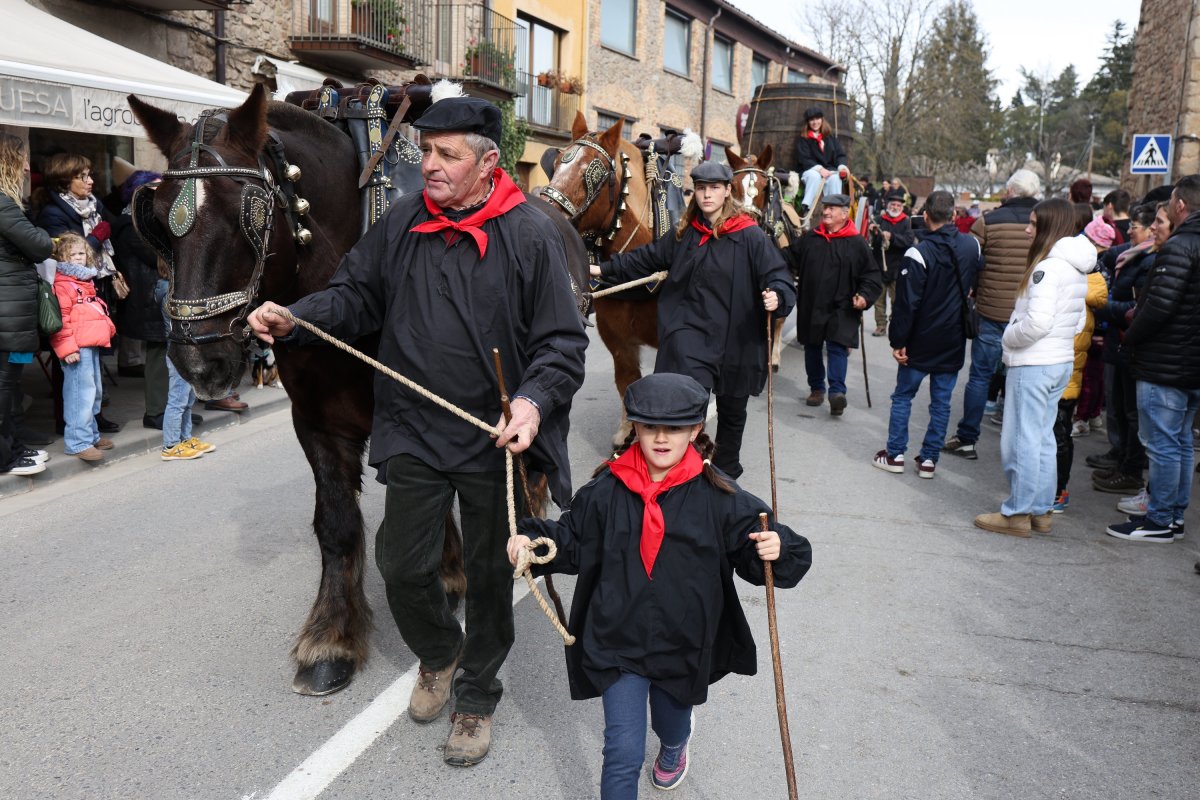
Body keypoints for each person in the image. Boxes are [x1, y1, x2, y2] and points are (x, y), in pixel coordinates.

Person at [247, 94, 588, 766]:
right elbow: (357, 295)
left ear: (488, 163)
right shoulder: (404, 222)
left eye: (446, 154)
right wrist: (299, 315)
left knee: (491, 577)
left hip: (493, 438)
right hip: (413, 430)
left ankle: (477, 696)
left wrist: (532, 403)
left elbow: (561, 345)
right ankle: (439, 652)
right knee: (403, 566)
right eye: (426, 150)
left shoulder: (529, 236)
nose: (428, 164)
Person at [507, 373, 812, 799]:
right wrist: (533, 542)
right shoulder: (605, 489)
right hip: (617, 639)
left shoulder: (720, 496)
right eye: (650, 426)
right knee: (622, 752)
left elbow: (757, 550)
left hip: (682, 643)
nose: (662, 438)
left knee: (669, 721)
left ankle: (674, 743)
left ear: (695, 430)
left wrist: (777, 548)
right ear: (635, 426)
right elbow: (571, 541)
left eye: (675, 428)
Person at [590, 161, 795, 478]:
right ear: (695, 192)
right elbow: (648, 257)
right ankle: (680, 473)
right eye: (701, 188)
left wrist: (777, 297)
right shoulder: (685, 234)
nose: (707, 194)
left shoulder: (750, 236)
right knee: (681, 406)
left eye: (714, 188)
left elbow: (778, 276)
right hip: (690, 337)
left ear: (727, 191)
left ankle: (725, 474)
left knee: (732, 412)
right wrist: (603, 269)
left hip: (736, 339)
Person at [975, 198, 1092, 537]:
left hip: (1034, 361)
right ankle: (1040, 509)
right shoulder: (1074, 267)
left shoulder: (1046, 269)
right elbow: (1077, 320)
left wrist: (1009, 338)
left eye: (1033, 224)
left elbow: (1037, 322)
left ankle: (1018, 512)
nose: (1027, 230)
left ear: (1048, 228)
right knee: (1041, 438)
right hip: (1057, 361)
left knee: (1021, 440)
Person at [1106, 175, 1200, 543]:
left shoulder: (1179, 247)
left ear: (1180, 206)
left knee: (1163, 445)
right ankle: (1172, 517)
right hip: (1189, 365)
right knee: (1178, 445)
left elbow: (1157, 306)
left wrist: (1132, 339)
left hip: (1166, 363)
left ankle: (1160, 519)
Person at [872, 191, 981, 479]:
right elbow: (974, 286)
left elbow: (907, 305)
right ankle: (930, 460)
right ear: (954, 216)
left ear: (927, 216)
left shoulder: (918, 253)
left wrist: (898, 342)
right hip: (953, 338)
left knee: (903, 396)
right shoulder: (972, 247)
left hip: (920, 339)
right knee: (941, 402)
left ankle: (895, 454)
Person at [943, 168, 1042, 459]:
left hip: (991, 310)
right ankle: (1018, 447)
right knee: (1020, 380)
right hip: (1029, 314)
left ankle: (967, 438)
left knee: (980, 376)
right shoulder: (1044, 223)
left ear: (1009, 191)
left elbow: (971, 260)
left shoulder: (988, 221)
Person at [35, 153, 121, 434]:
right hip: (69, 290)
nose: (90, 180)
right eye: (82, 176)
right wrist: (97, 237)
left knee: (93, 362)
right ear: (65, 179)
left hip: (94, 287)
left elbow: (117, 224)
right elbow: (68, 253)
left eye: (90, 174)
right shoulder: (53, 212)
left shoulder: (93, 205)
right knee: (71, 362)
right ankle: (70, 422)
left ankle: (93, 419)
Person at [1089, 204, 1159, 507]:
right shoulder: (1129, 255)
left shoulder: (1149, 260)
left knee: (1132, 413)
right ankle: (1119, 457)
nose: (1129, 230)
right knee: (1118, 405)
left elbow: (1136, 308)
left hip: (1130, 343)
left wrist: (1105, 307)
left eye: (1136, 226)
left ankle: (1130, 468)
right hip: (1119, 342)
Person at [788, 193, 881, 415]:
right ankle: (817, 389)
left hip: (843, 306)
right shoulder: (811, 239)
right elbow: (788, 258)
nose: (826, 212)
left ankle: (836, 393)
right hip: (812, 303)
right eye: (825, 208)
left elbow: (871, 276)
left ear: (843, 213)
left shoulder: (857, 243)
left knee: (837, 347)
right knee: (812, 346)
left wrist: (864, 296)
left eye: (831, 209)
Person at [0, 132, 54, 476]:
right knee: (5, 385)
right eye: (22, 158)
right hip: (8, 310)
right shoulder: (3, 204)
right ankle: (6, 457)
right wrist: (46, 239)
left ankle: (13, 447)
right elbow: (39, 245)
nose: (26, 166)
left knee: (10, 384)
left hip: (11, 309)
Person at [1050, 219, 1110, 513]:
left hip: (1066, 365)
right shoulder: (1085, 279)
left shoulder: (1081, 280)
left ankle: (1059, 490)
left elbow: (1097, 296)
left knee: (1059, 431)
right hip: (1065, 363)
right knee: (1055, 430)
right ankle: (1053, 488)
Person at [49, 233, 116, 463]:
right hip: (76, 346)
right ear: (62, 257)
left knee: (93, 391)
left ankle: (91, 435)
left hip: (90, 342)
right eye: (72, 254)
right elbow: (62, 321)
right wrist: (67, 349)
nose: (78, 258)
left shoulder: (84, 281)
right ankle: (78, 441)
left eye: (81, 253)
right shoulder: (64, 284)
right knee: (80, 394)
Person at [154, 271, 214, 462]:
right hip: (179, 350)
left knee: (187, 399)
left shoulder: (175, 289)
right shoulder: (167, 290)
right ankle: (170, 445)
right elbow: (186, 316)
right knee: (177, 400)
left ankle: (185, 439)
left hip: (186, 349)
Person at [1068, 217, 1116, 439]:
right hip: (1099, 328)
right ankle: (1093, 414)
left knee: (1088, 377)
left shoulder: (1092, 267)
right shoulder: (1106, 264)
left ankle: (1083, 418)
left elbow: (1097, 300)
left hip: (1092, 328)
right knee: (1095, 376)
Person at [870, 191, 914, 337]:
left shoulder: (907, 222)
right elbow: (873, 244)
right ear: (888, 206)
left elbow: (908, 241)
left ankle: (894, 324)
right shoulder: (879, 220)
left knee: (897, 300)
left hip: (898, 267)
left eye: (898, 205)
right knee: (879, 300)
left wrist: (892, 237)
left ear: (902, 207)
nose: (895, 207)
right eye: (892, 205)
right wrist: (875, 234)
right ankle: (880, 325)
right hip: (880, 266)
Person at [795, 106, 848, 215]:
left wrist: (841, 167)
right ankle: (807, 208)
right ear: (808, 122)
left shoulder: (830, 138)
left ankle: (834, 209)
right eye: (812, 120)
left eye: (817, 119)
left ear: (822, 120)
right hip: (810, 170)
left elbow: (840, 154)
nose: (815, 122)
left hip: (829, 171)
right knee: (814, 176)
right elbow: (804, 158)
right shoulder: (803, 139)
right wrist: (819, 169)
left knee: (835, 178)